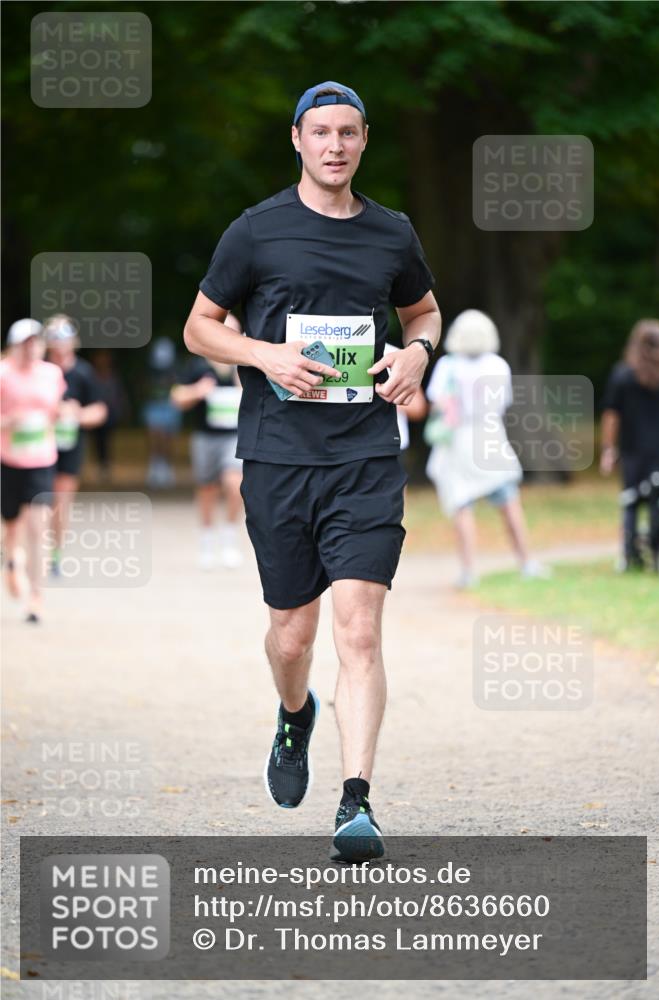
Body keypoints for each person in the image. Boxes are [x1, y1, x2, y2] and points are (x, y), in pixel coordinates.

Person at [184, 81, 440, 861]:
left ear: (365, 141)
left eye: (349, 133)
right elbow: (200, 328)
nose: (335, 146)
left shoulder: (392, 234)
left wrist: (417, 356)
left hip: (365, 456)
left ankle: (355, 802)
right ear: (296, 139)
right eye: (320, 132)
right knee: (292, 639)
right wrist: (265, 355)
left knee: (358, 630)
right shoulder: (255, 232)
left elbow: (422, 312)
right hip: (278, 457)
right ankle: (294, 714)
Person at [426, 309, 548, 588]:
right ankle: (527, 562)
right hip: (490, 437)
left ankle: (469, 571)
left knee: (462, 505)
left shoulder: (448, 366)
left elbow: (438, 403)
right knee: (509, 503)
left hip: (458, 441)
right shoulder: (497, 365)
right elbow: (502, 404)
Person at [0, 319, 65, 621]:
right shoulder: (3, 373)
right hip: (9, 460)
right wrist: (9, 422)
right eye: (25, 343)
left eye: (36, 342)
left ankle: (36, 596)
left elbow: (54, 411)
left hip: (42, 459)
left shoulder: (52, 374)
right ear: (14, 345)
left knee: (37, 527)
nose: (31, 348)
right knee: (11, 526)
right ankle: (11, 562)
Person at [170, 313, 244, 570]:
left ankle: (230, 537)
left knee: (235, 484)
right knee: (207, 489)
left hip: (235, 437)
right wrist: (197, 391)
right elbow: (177, 398)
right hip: (205, 437)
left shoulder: (243, 366)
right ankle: (207, 539)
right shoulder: (197, 366)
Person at [600, 318, 659, 571]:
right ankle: (658, 551)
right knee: (658, 502)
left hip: (633, 451)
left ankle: (630, 555)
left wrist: (608, 448)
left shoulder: (623, 375)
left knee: (630, 503)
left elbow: (611, 415)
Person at [44, 315, 108, 575]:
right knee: (32, 501)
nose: (61, 343)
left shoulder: (83, 373)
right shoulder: (39, 370)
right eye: (55, 337)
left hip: (70, 445)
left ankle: (54, 556)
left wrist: (76, 415)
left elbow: (100, 411)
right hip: (37, 444)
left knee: (61, 502)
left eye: (65, 336)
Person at [142, 337, 181, 489]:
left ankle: (166, 467)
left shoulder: (176, 369)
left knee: (167, 438)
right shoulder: (149, 369)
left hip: (170, 406)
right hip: (154, 406)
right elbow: (144, 388)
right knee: (154, 435)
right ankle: (154, 465)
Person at [89, 349, 128, 483]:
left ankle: (106, 465)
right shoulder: (92, 376)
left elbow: (119, 395)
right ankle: (102, 465)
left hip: (110, 415)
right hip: (95, 414)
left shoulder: (113, 376)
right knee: (98, 441)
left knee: (107, 440)